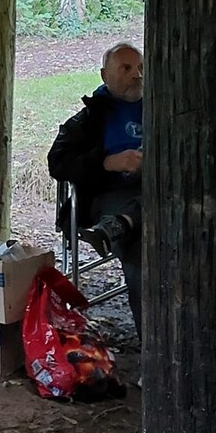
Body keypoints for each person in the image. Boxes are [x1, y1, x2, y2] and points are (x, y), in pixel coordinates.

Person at [46, 42, 144, 334]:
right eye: (126, 68)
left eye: (141, 68)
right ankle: (153, 342)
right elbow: (58, 162)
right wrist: (106, 162)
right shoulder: (91, 117)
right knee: (143, 248)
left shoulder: (163, 105)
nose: (137, 75)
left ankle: (120, 224)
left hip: (160, 192)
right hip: (110, 193)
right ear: (104, 75)